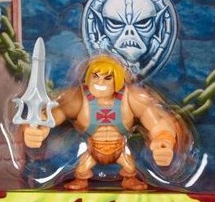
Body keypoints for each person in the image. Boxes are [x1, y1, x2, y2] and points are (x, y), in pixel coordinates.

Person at [22, 55, 178, 190]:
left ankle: (129, 180)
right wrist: (38, 128)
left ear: (117, 80)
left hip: (120, 149)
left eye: (107, 78)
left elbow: (158, 121)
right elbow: (57, 112)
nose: (100, 82)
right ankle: (80, 181)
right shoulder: (79, 98)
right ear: (88, 78)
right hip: (93, 149)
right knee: (82, 169)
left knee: (130, 167)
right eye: (95, 76)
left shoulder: (131, 98)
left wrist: (164, 141)